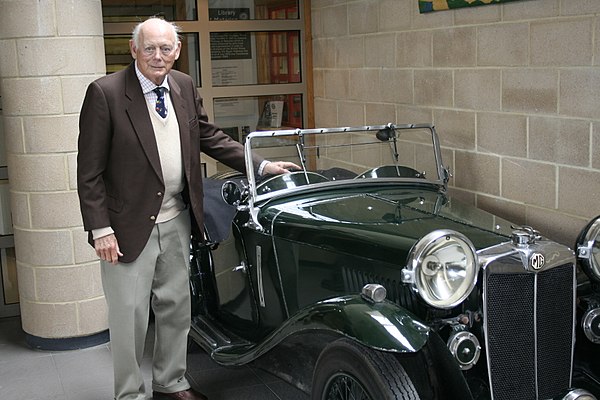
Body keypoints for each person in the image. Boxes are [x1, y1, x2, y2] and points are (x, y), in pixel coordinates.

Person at [77, 17, 298, 400]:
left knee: (177, 308)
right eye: (149, 48)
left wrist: (260, 165)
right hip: (126, 226)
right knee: (129, 319)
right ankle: (129, 393)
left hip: (177, 218)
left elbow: (209, 136)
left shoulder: (182, 85)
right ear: (134, 50)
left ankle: (171, 382)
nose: (158, 56)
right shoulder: (106, 93)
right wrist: (100, 230)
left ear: (177, 52)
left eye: (166, 48)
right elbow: (89, 171)